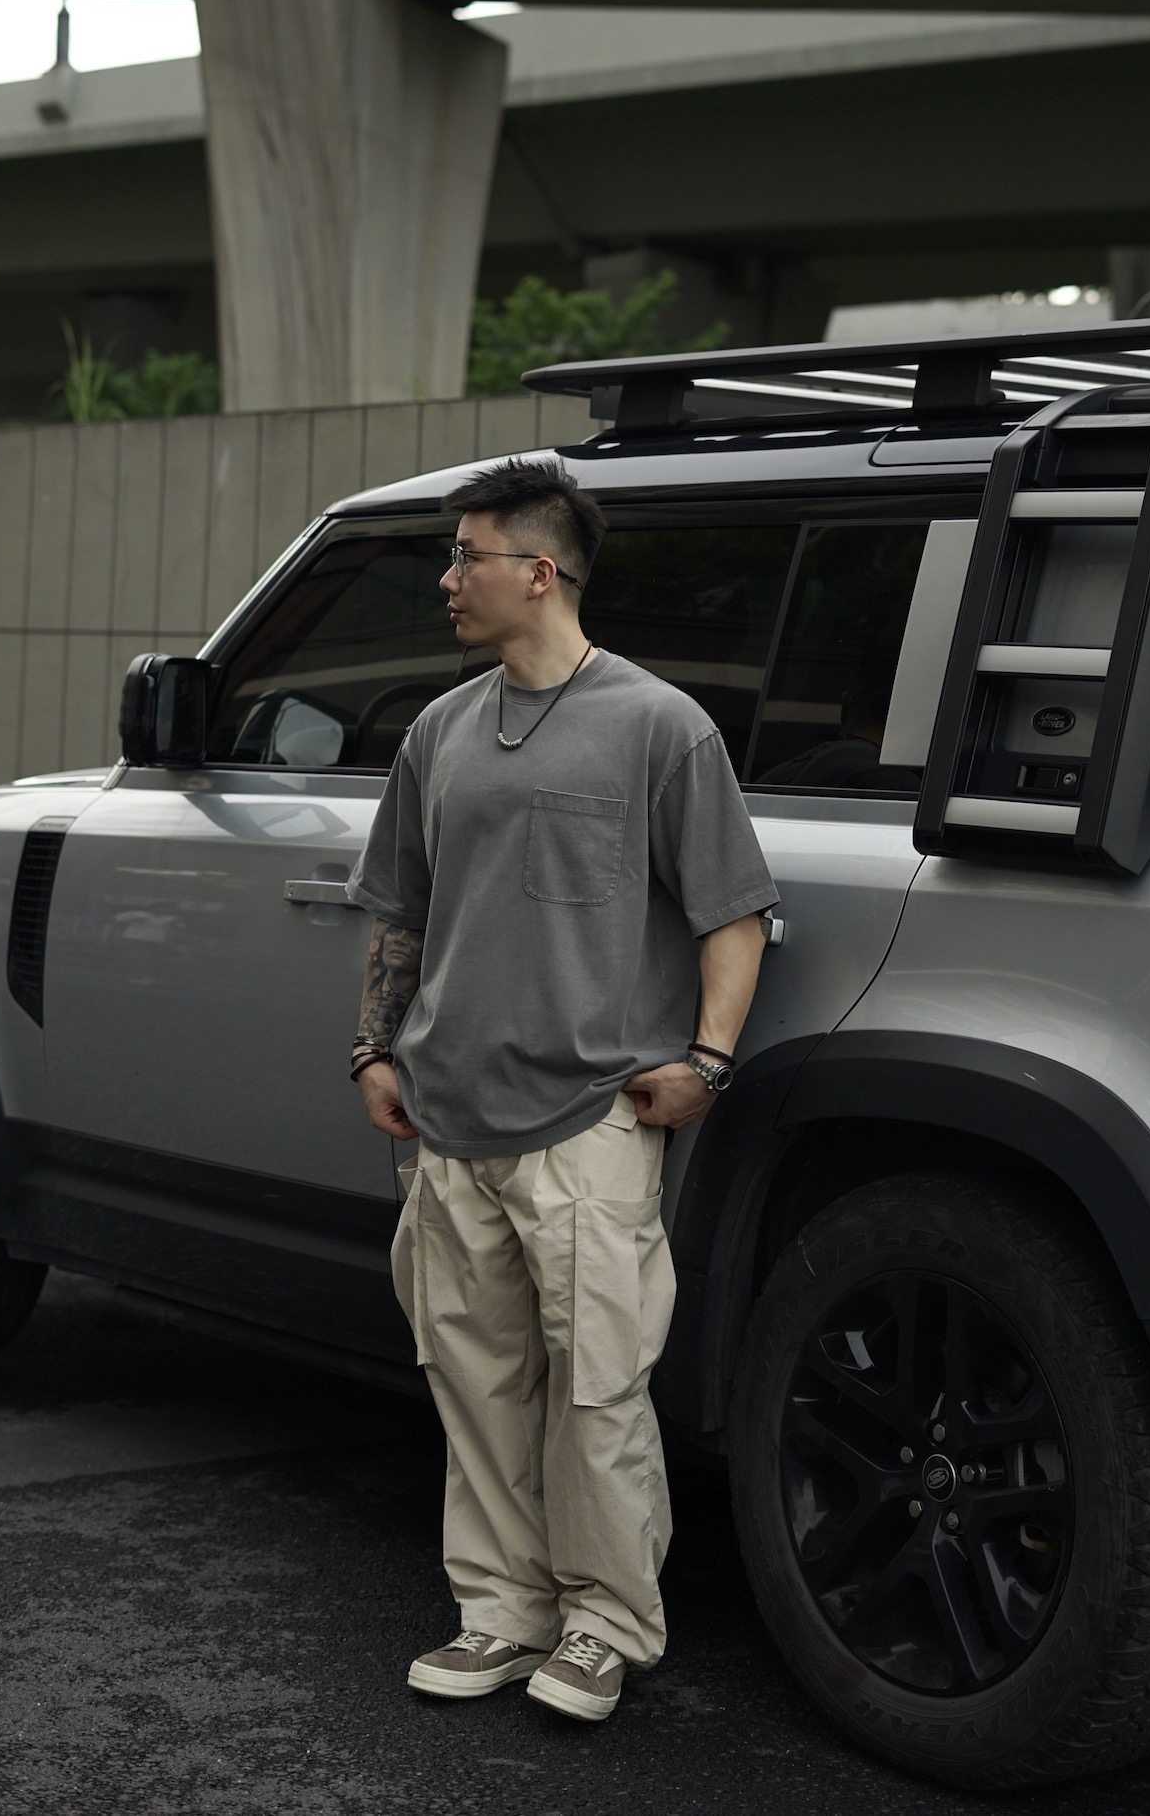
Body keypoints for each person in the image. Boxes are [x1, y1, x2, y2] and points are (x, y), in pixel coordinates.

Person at [345, 454, 779, 1723]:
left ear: (539, 572)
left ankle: (604, 1626)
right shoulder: (441, 730)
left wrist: (707, 1063)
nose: (447, 580)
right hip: (447, 1118)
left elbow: (734, 913)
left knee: (597, 1392)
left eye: (465, 557)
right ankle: (502, 1612)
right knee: (476, 1386)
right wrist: (373, 1049)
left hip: (589, 1118)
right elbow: (400, 911)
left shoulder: (659, 726)